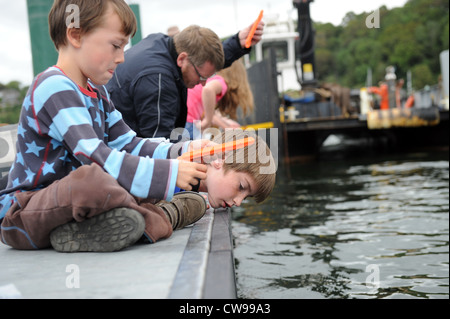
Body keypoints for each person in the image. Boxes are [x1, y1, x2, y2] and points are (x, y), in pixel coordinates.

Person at [0, 0, 211, 253]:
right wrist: (168, 172)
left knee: (121, 178)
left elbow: (130, 144)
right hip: (25, 214)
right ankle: (163, 216)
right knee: (93, 179)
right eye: (115, 45)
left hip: (75, 210)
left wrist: (184, 150)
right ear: (75, 35)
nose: (121, 58)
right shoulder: (53, 86)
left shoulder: (97, 92)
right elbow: (92, 156)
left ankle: (98, 229)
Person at [106, 21, 264, 140]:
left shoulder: (163, 43)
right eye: (201, 77)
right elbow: (159, 145)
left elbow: (204, 59)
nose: (203, 83)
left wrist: (237, 43)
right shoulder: (158, 81)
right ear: (182, 59)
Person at [175, 130, 276, 209]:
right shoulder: (171, 173)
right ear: (219, 159)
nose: (238, 202)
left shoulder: (188, 192)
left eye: (245, 197)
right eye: (241, 187)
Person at [185, 59, 254, 139]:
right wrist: (208, 120)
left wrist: (226, 123)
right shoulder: (221, 82)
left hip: (186, 119)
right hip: (189, 121)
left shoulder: (212, 80)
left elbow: (212, 114)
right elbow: (208, 89)